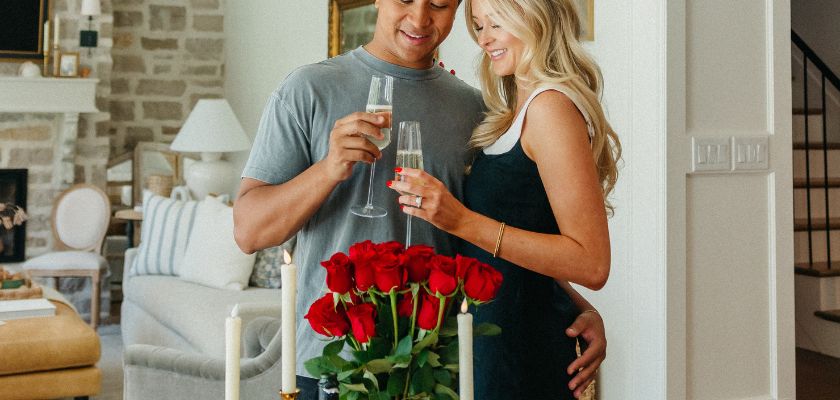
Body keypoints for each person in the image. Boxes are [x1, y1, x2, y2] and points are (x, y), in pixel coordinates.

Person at [233, 1, 606, 398]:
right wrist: (328, 169)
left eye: (440, 4)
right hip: (336, 366)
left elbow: (485, 232)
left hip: (439, 371)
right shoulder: (306, 90)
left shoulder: (476, 111)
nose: (419, 18)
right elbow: (248, 231)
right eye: (405, 0)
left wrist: (574, 305)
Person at [387, 0, 621, 398]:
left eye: (497, 23)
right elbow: (529, 241)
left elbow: (592, 262)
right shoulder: (515, 108)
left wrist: (459, 220)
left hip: (519, 347)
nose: (485, 39)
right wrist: (580, 306)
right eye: (479, 26)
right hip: (494, 339)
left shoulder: (550, 107)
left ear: (535, 16)